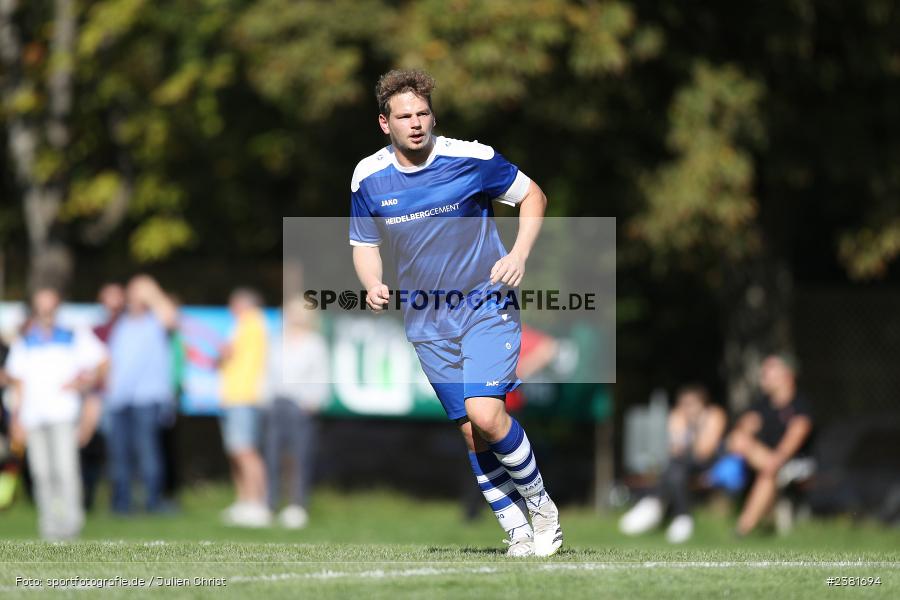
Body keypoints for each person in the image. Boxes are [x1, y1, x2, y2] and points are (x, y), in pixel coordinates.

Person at [349, 69, 561, 557]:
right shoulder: (368, 177)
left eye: (423, 113)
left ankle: (542, 506)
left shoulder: (472, 158)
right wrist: (373, 283)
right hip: (426, 317)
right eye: (404, 116)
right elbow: (363, 243)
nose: (416, 123)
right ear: (386, 124)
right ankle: (516, 529)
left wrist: (519, 254)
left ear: (433, 115)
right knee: (470, 431)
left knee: (485, 413)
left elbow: (534, 195)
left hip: (486, 302)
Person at [4, 288, 107, 539]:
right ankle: (50, 526)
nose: (45, 314)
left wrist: (83, 384)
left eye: (50, 308)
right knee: (42, 473)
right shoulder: (26, 341)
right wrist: (16, 418)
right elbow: (18, 382)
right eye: (41, 309)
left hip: (63, 414)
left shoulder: (73, 336)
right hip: (34, 417)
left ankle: (71, 524)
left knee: (65, 470)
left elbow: (102, 362)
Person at [105, 275, 177, 514]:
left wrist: (151, 291)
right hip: (119, 399)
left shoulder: (155, 321)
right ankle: (121, 503)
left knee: (148, 453)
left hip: (147, 398)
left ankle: (153, 502)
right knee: (119, 455)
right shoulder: (122, 324)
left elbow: (170, 316)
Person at [619, 384, 727, 543]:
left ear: (701, 403)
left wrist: (693, 429)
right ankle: (680, 516)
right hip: (681, 467)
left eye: (690, 404)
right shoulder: (678, 416)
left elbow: (704, 452)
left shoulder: (714, 415)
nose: (686, 408)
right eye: (683, 404)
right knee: (675, 469)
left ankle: (655, 503)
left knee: (674, 468)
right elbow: (672, 449)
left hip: (709, 466)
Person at [727, 354, 814, 536]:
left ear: (787, 375)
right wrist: (745, 430)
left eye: (769, 372)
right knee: (741, 441)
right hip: (766, 461)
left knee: (769, 469)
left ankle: (743, 528)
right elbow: (740, 432)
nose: (763, 376)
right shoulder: (763, 405)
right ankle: (749, 524)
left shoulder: (800, 406)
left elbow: (790, 444)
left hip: (797, 463)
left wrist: (771, 459)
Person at [263, 298, 329, 529]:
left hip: (300, 406)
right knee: (272, 455)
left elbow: (321, 376)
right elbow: (267, 373)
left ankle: (297, 505)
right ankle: (269, 505)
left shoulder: (315, 343)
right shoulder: (276, 341)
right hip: (276, 403)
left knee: (299, 456)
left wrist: (313, 401)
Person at [219, 287, 270, 527]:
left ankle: (257, 503)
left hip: (245, 395)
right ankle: (244, 501)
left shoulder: (251, 323)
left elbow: (229, 352)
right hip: (233, 396)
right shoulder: (248, 325)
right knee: (236, 452)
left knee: (246, 451)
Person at [80, 282, 126, 511]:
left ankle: (119, 501)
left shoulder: (131, 327)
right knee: (89, 448)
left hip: (123, 398)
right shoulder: (95, 331)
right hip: (97, 398)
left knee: (119, 452)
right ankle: (86, 499)